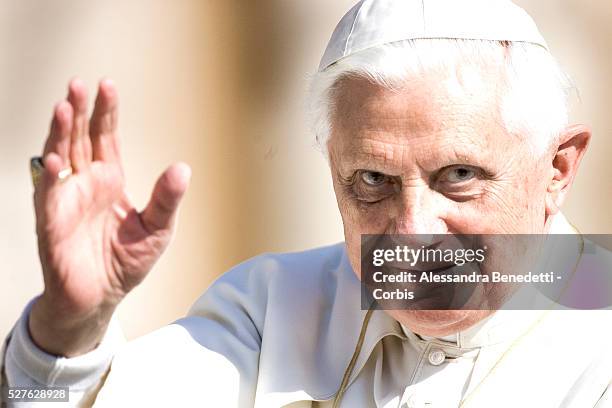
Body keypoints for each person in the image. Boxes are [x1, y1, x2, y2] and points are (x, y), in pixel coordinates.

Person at [2, 0, 611, 407]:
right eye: (372, 180)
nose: (411, 231)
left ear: (558, 169)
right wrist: (68, 327)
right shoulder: (270, 308)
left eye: (458, 175)